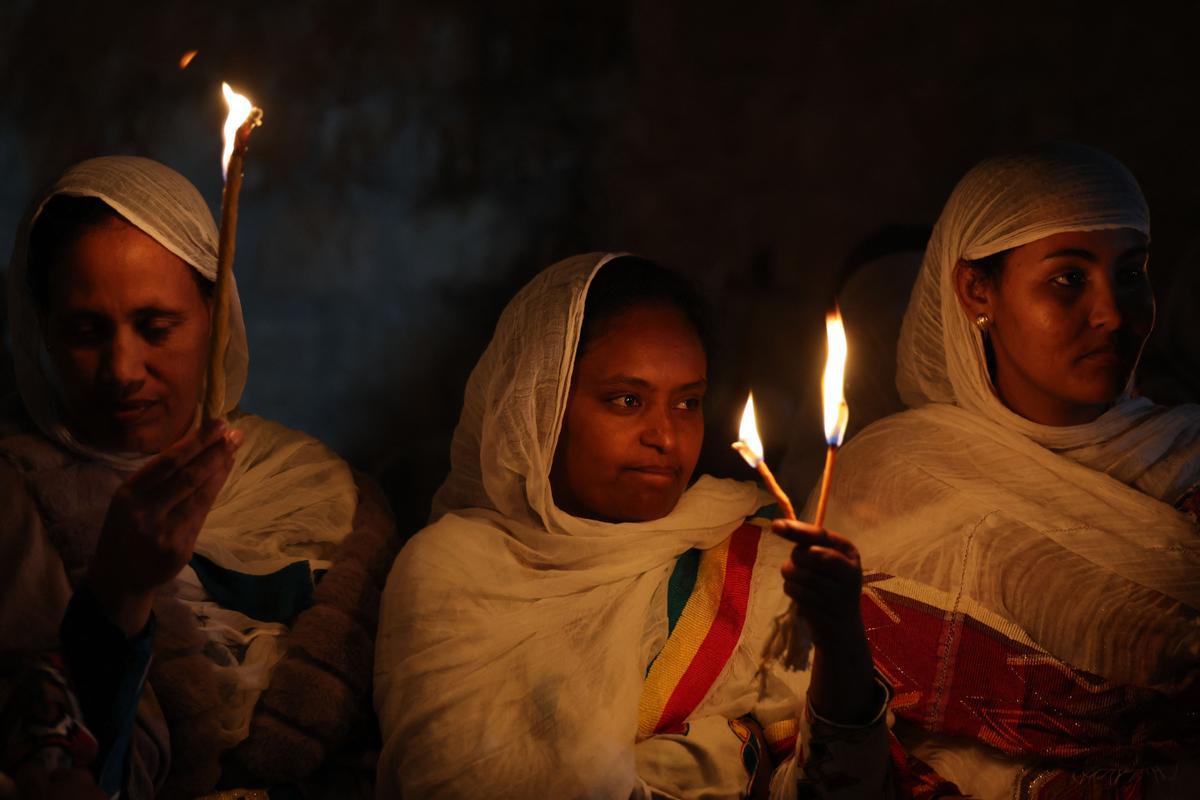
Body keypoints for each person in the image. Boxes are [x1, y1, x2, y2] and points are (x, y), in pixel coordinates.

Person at [375, 253, 895, 799]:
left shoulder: (754, 551)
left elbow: (842, 789)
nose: (665, 437)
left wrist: (840, 642)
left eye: (687, 403)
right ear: (540, 406)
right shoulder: (455, 569)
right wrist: (717, 755)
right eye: (627, 401)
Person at [0, 156, 399, 798]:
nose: (123, 369)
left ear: (214, 314)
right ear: (41, 330)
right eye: (84, 332)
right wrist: (117, 593)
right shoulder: (16, 504)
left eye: (157, 328)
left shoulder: (313, 489)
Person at [814, 144, 1200, 798]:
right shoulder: (887, 478)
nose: (1112, 313)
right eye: (1068, 280)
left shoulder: (1187, 456)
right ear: (975, 291)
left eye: (1130, 273)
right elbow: (825, 741)